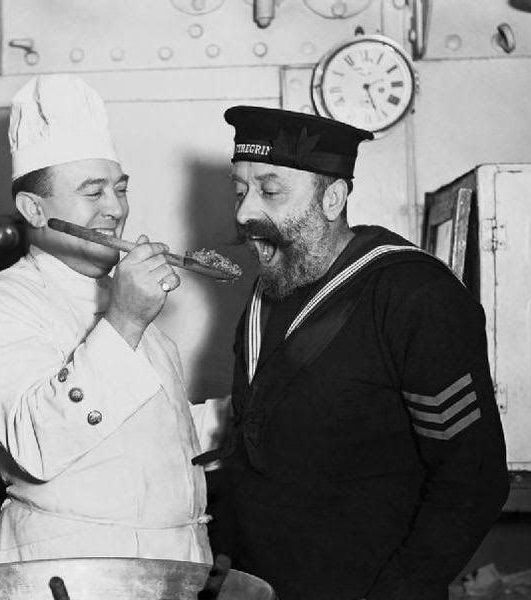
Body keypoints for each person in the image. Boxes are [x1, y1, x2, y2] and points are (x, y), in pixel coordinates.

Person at [202, 106, 510, 599]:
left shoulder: (416, 296)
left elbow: (473, 482)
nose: (243, 213)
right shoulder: (272, 287)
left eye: (270, 190)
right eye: (240, 191)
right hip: (261, 583)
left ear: (333, 198)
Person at [0, 74, 215, 568]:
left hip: (173, 565)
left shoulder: (119, 299)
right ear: (33, 209)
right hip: (72, 572)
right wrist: (125, 320)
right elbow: (36, 442)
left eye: (119, 189)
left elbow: (152, 437)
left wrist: (247, 413)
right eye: (92, 193)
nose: (115, 209)